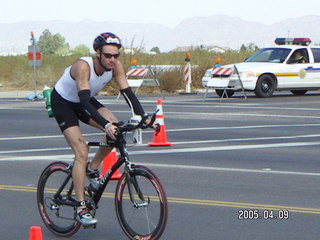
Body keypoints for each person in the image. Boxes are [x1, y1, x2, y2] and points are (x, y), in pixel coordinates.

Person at [51, 32, 154, 227]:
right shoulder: (83, 67)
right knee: (81, 150)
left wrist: (144, 117)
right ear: (97, 53)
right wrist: (105, 125)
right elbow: (83, 101)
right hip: (64, 103)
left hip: (85, 101)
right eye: (108, 56)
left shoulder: (115, 66)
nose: (112, 60)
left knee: (116, 130)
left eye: (116, 56)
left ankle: (92, 168)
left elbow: (128, 93)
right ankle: (81, 208)